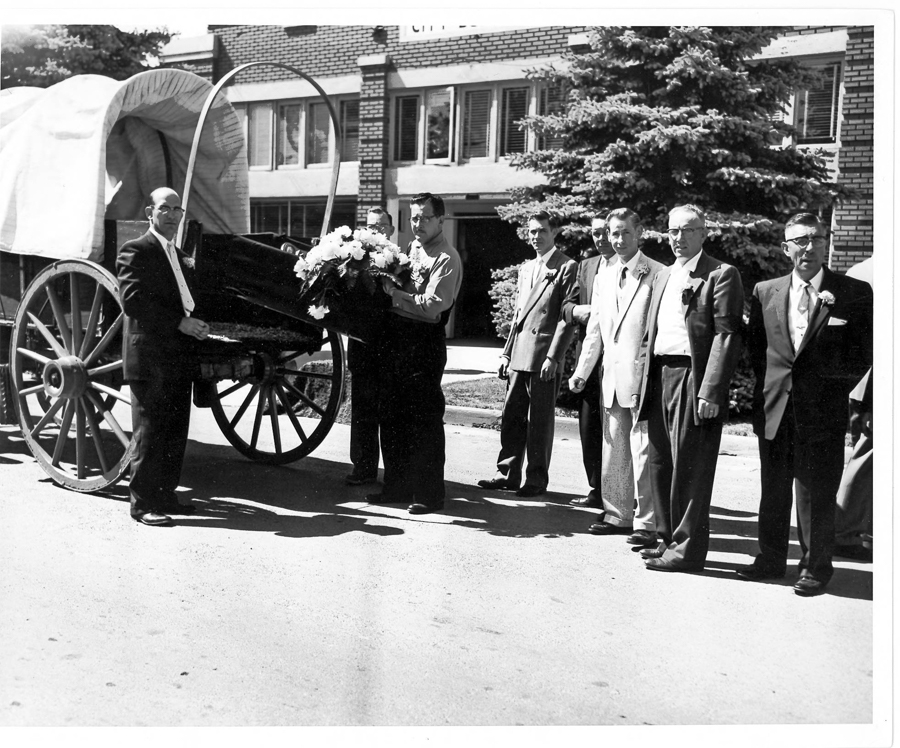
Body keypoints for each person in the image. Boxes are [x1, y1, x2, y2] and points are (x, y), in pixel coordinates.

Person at [738, 213, 873, 596]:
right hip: (775, 408)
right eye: (799, 240)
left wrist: (830, 390)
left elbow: (863, 352)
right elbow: (758, 350)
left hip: (823, 411)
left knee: (817, 491)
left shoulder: (853, 291)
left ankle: (816, 567)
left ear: (825, 242)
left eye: (815, 238)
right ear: (786, 248)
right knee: (774, 489)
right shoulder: (766, 291)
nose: (808, 247)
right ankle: (770, 559)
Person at [635, 204, 744, 572]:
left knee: (691, 467)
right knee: (661, 462)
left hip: (692, 378)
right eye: (672, 231)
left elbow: (727, 336)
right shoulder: (664, 275)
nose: (678, 238)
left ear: (703, 232)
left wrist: (709, 390)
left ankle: (687, 551)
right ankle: (667, 541)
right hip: (661, 375)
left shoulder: (720, 274)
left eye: (687, 230)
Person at [569, 208, 663, 547]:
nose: (618, 239)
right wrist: (582, 371)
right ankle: (617, 513)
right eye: (613, 233)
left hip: (643, 376)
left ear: (639, 232)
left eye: (624, 232)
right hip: (611, 374)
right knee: (614, 448)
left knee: (642, 450)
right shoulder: (604, 276)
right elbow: (595, 329)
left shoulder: (656, 273)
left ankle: (647, 522)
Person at [117, 187, 209, 526]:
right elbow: (133, 301)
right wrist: (180, 323)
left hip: (177, 355)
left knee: (174, 430)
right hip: (150, 356)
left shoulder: (181, 254)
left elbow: (187, 299)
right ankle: (142, 505)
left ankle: (166, 494)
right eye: (165, 208)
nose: (172, 215)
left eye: (177, 210)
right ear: (149, 212)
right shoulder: (135, 250)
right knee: (150, 431)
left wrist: (197, 323)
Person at [366, 193, 462, 515]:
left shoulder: (447, 258)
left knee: (424, 421)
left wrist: (394, 295)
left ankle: (429, 494)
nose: (417, 224)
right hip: (399, 339)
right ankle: (396, 486)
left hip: (423, 344)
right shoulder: (412, 249)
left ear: (440, 220)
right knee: (393, 418)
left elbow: (434, 308)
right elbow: (409, 286)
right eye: (413, 218)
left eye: (424, 218)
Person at [478, 211, 578, 497]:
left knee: (539, 422)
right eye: (532, 231)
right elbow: (517, 317)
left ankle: (535, 479)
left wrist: (554, 357)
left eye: (542, 231)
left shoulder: (566, 266)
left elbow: (566, 318)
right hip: (520, 353)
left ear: (554, 232)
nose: (536, 237)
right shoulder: (526, 268)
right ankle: (507, 474)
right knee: (512, 417)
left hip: (544, 356)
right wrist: (506, 354)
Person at [563, 214, 616, 510]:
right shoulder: (586, 267)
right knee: (590, 426)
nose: (600, 238)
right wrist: (577, 312)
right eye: (595, 233)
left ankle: (620, 492)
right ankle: (596, 489)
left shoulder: (628, 265)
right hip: (590, 358)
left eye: (605, 232)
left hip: (618, 357)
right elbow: (566, 305)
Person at [344, 207, 394, 486]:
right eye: (372, 226)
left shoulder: (399, 260)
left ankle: (394, 471)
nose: (377, 231)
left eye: (382, 226)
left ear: (391, 229)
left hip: (389, 347)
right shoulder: (354, 260)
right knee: (362, 410)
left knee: (389, 411)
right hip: (362, 346)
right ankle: (363, 467)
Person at [833, 255, 874, 562]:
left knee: (867, 452)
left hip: (863, 382)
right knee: (868, 454)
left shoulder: (860, 269)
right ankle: (845, 532)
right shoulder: (869, 273)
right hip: (875, 379)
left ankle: (854, 531)